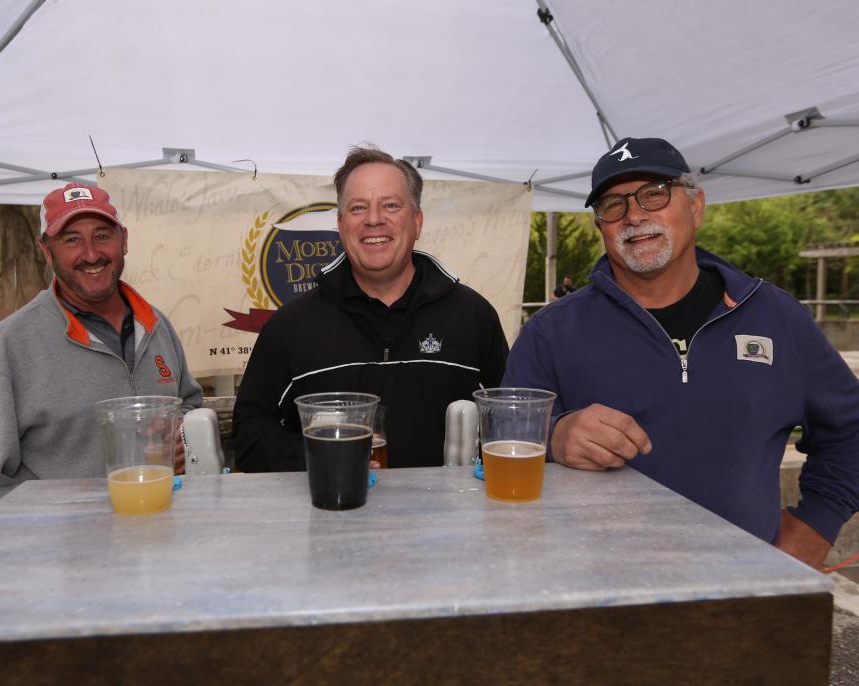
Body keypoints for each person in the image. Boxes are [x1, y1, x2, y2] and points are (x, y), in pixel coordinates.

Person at [503, 136, 859, 568]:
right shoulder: (551, 331)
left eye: (654, 193)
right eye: (613, 205)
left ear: (696, 205)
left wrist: (814, 528)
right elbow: (503, 438)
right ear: (601, 227)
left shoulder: (776, 318)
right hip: (596, 595)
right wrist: (556, 435)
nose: (634, 215)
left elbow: (850, 431)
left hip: (744, 593)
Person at [0, 183, 202, 526]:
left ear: (124, 240)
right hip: (69, 569)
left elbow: (190, 406)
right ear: (46, 251)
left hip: (163, 542)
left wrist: (180, 435)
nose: (91, 254)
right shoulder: (9, 346)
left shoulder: (156, 325)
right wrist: (56, 546)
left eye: (102, 235)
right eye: (72, 240)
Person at [233, 146, 508, 471]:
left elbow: (512, 421)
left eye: (390, 205)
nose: (374, 220)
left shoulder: (473, 317)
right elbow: (249, 438)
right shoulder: (290, 327)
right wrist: (321, 458)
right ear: (340, 224)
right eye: (358, 208)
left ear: (417, 222)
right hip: (331, 515)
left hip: (446, 521)